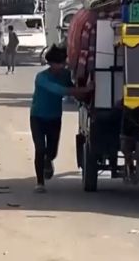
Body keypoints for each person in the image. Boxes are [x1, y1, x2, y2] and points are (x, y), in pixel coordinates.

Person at [29, 45, 90, 193]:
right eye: (58, 63)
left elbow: (72, 89)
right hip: (37, 117)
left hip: (55, 118)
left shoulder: (65, 75)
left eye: (62, 63)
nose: (61, 66)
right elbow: (60, 90)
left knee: (52, 151)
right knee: (40, 149)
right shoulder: (41, 78)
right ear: (50, 63)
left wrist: (83, 95)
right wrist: (85, 90)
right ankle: (40, 182)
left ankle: (48, 160)